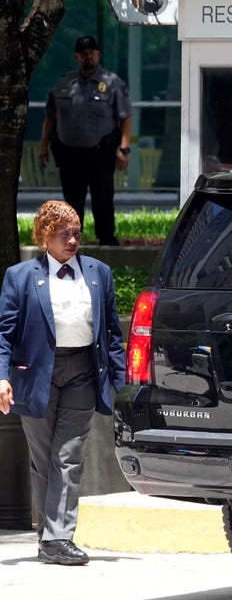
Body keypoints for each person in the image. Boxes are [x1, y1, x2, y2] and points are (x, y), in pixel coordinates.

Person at [0, 201, 126, 565]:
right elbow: (4, 333)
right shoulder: (20, 276)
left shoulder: (99, 272)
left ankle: (58, 536)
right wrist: (2, 376)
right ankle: (49, 539)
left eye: (76, 234)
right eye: (63, 234)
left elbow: (113, 335)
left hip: (83, 371)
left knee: (68, 456)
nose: (72, 240)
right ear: (43, 237)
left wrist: (124, 386)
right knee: (43, 459)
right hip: (36, 375)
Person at [39, 35, 132, 246]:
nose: (87, 57)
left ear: (98, 55)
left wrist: (124, 149)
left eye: (91, 53)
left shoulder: (112, 83)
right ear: (76, 57)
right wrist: (43, 147)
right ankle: (71, 243)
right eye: (83, 54)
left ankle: (106, 241)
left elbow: (125, 118)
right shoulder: (63, 84)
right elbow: (51, 118)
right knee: (72, 203)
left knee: (103, 200)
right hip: (69, 154)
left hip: (100, 153)